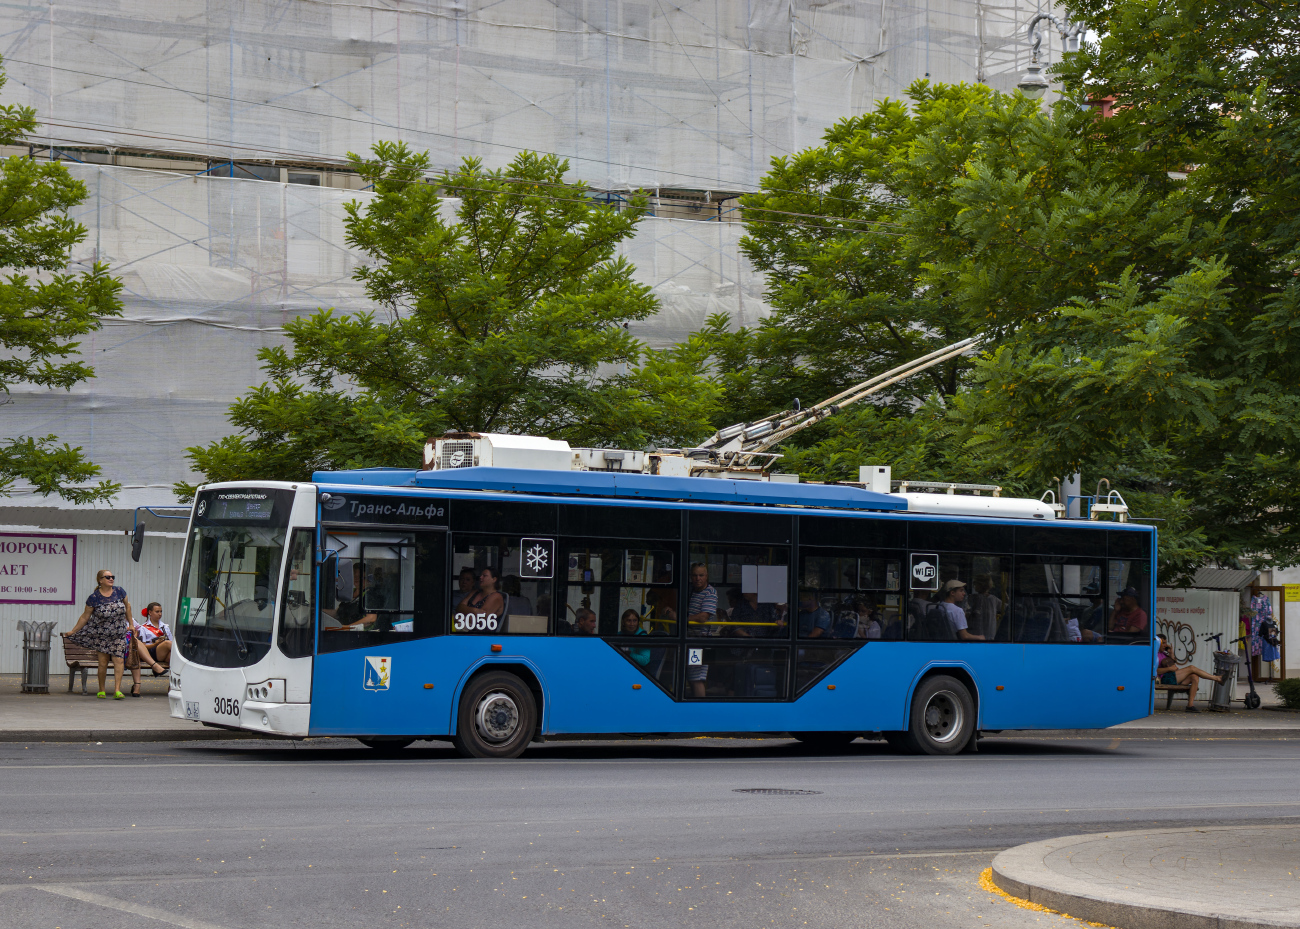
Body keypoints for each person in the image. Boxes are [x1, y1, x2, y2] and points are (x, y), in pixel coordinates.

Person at [62, 568, 134, 699]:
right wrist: (73, 631)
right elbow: (85, 616)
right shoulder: (94, 598)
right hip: (102, 635)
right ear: (100, 580)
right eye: (108, 577)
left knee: (118, 660)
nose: (111, 579)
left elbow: (127, 607)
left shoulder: (119, 591)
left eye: (112, 576)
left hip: (119, 633)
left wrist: (131, 624)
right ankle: (102, 690)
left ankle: (117, 690)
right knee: (103, 662)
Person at [1157, 633, 1223, 713]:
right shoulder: (1154, 654)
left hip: (1172, 677)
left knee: (1194, 677)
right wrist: (1169, 668)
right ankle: (1216, 678)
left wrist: (1171, 653)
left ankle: (1190, 705)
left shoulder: (1164, 654)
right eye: (1163, 643)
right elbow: (1154, 671)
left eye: (1165, 643)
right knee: (1191, 668)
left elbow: (1173, 665)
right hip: (1164, 678)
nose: (1165, 645)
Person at [125, 603, 172, 696]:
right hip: (150, 653)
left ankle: (172, 685)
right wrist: (157, 643)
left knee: (172, 657)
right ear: (150, 612)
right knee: (167, 644)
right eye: (157, 611)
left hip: (163, 653)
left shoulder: (165, 627)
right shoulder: (143, 627)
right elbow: (142, 646)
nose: (160, 614)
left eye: (161, 611)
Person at [686, 563, 717, 697]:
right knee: (689, 676)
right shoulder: (690, 590)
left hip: (700, 641)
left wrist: (682, 618)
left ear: (707, 576)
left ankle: (699, 706)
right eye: (694, 575)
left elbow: (703, 617)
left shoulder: (710, 592)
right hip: (688, 638)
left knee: (697, 678)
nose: (697, 578)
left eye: (701, 575)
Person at [323, 562, 378, 630]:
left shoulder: (370, 594)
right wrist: (317, 611)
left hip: (360, 635)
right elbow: (338, 613)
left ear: (368, 579)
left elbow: (371, 618)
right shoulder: (350, 593)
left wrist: (348, 627)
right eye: (354, 576)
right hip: (344, 632)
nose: (356, 579)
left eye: (360, 577)